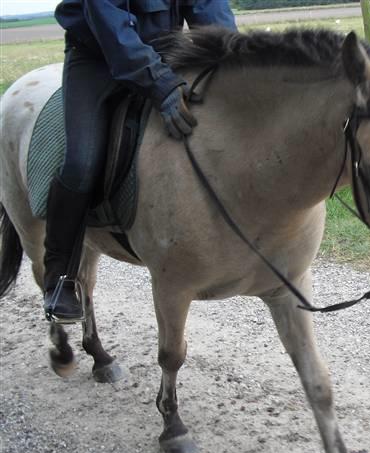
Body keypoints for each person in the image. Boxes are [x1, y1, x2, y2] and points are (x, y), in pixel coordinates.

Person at [45, 1, 236, 322]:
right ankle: (59, 277)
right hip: (98, 55)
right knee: (82, 163)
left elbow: (210, 12)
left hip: (165, 51)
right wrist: (161, 85)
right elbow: (112, 29)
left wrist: (231, 67)